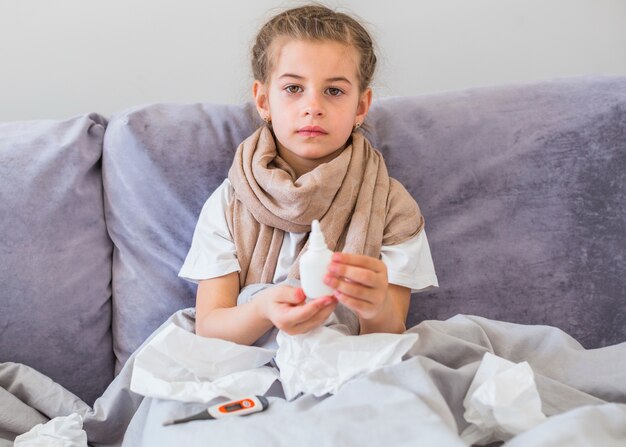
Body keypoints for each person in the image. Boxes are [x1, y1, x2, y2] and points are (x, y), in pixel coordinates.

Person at [179, 4, 438, 345]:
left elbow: (389, 337)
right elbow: (210, 326)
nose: (313, 106)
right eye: (293, 88)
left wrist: (376, 308)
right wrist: (262, 310)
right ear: (263, 100)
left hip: (345, 366)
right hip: (249, 367)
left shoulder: (391, 207)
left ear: (361, 106)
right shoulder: (230, 203)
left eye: (334, 91)